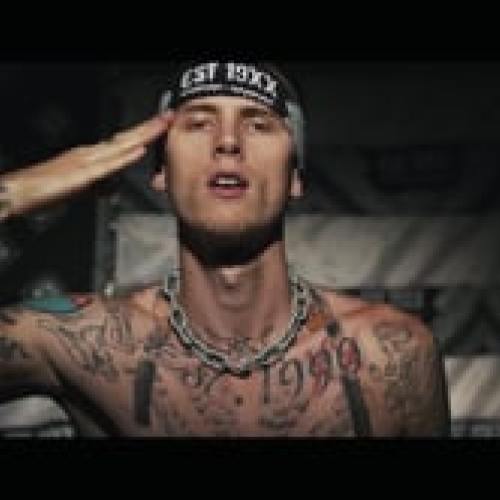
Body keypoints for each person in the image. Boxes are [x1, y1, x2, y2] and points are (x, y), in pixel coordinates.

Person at [0, 60, 451, 437]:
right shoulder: (86, 345)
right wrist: (12, 194)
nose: (228, 142)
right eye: (199, 123)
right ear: (161, 172)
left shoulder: (391, 355)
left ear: (295, 177)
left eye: (258, 124)